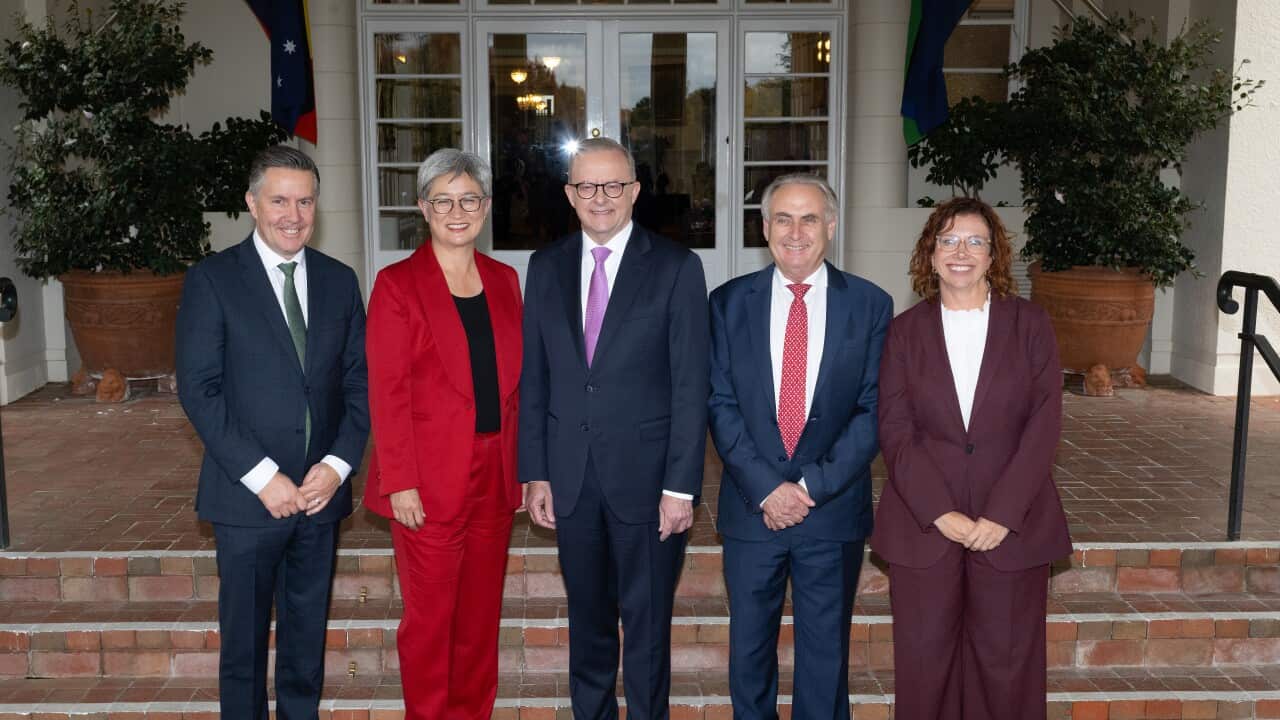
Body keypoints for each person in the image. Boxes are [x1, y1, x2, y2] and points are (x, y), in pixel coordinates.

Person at [519, 136, 710, 720]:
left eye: (614, 185)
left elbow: (690, 385)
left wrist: (681, 487)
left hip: (649, 485)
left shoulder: (677, 267)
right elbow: (536, 379)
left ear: (635, 191)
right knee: (589, 626)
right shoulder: (545, 267)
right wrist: (535, 473)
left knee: (648, 631)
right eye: (586, 186)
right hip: (571, 480)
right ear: (569, 194)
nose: (600, 197)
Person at [176, 145, 369, 720]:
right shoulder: (213, 280)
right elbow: (200, 389)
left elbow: (359, 385)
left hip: (319, 496)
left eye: (305, 200)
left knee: (306, 643)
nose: (294, 213)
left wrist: (336, 467)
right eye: (280, 200)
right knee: (243, 647)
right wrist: (264, 478)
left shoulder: (339, 281)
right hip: (247, 497)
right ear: (252, 203)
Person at [870, 197, 1071, 720]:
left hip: (1012, 527)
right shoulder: (903, 332)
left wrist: (1002, 514)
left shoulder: (1030, 324)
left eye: (975, 241)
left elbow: (1043, 424)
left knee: (1007, 667)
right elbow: (895, 429)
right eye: (949, 240)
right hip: (925, 527)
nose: (961, 251)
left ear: (994, 255)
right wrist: (940, 512)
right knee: (924, 663)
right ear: (930, 254)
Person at [707, 174, 892, 720]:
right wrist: (768, 488)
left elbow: (873, 410)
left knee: (824, 659)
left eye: (808, 218)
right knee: (750, 654)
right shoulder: (726, 304)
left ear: (830, 226)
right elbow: (719, 404)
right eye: (782, 218)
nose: (795, 231)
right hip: (752, 510)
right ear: (764, 228)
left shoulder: (870, 305)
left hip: (830, 511)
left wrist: (809, 487)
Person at [362, 149, 525, 720]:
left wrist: (525, 467)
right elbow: (388, 393)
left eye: (469, 200)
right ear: (422, 208)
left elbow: (516, 390)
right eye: (443, 201)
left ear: (484, 206)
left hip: (495, 474)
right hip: (427, 480)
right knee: (431, 624)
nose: (458, 212)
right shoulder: (398, 285)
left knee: (480, 620)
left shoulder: (506, 281)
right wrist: (399, 481)